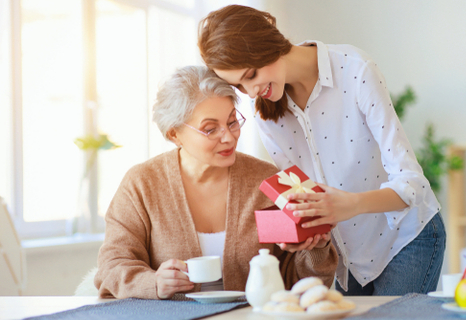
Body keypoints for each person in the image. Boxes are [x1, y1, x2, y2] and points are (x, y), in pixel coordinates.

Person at [197, 5, 446, 296]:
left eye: (251, 75)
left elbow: (412, 183)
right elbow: (304, 195)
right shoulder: (266, 114)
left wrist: (348, 205)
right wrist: (305, 230)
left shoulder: (355, 70)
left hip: (405, 238)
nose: (251, 91)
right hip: (348, 258)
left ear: (268, 43)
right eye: (239, 85)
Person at [94, 66, 338, 300]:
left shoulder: (267, 181)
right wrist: (154, 283)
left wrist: (317, 246)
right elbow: (112, 266)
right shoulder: (142, 184)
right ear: (174, 134)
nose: (229, 137)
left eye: (232, 122)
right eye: (210, 129)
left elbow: (296, 282)